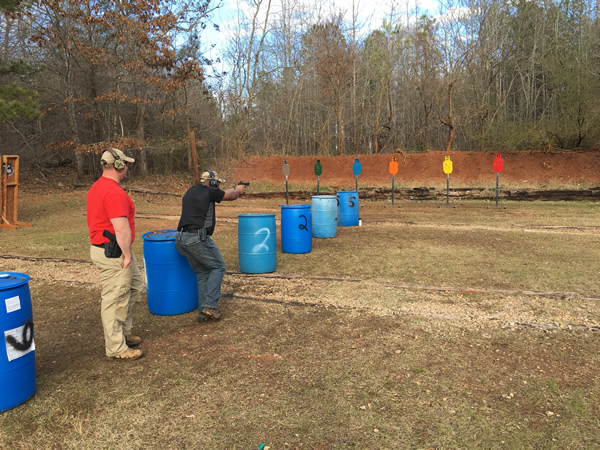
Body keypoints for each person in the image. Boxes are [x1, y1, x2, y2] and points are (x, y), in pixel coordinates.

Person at [86, 148, 145, 361]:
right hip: (115, 252)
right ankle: (116, 348)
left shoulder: (99, 187)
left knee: (135, 285)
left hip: (115, 249)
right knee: (115, 298)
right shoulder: (113, 192)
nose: (127, 167)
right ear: (119, 166)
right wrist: (127, 255)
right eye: (126, 163)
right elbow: (120, 228)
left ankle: (124, 332)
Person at [175, 170, 247, 322]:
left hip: (181, 238)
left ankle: (203, 314)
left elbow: (221, 193)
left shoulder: (190, 191)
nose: (219, 185)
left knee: (202, 274)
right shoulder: (209, 192)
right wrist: (238, 190)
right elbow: (231, 195)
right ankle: (209, 305)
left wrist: (234, 188)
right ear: (212, 182)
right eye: (218, 182)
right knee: (218, 267)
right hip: (196, 238)